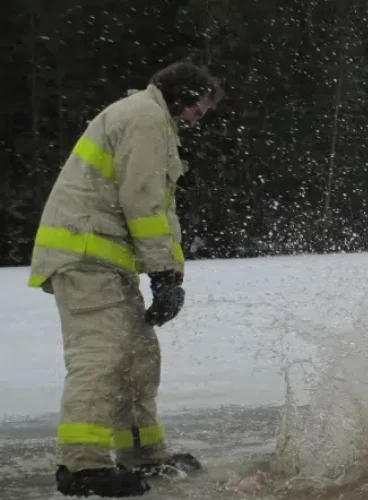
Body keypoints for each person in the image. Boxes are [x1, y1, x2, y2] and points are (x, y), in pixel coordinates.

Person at [27, 61, 224, 497]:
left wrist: (169, 273)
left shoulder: (151, 120)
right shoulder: (145, 119)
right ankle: (82, 466)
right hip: (85, 257)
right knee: (101, 358)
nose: (196, 121)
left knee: (137, 357)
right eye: (198, 110)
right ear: (184, 96)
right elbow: (143, 200)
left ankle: (142, 453)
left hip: (105, 261)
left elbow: (157, 209)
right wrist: (163, 275)